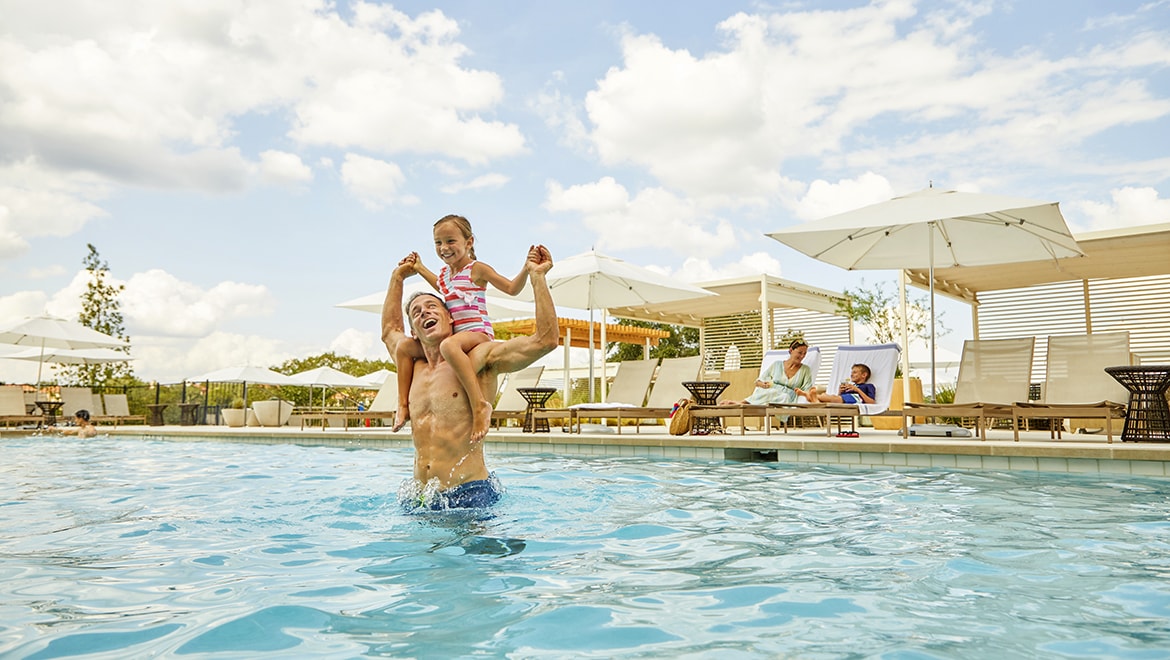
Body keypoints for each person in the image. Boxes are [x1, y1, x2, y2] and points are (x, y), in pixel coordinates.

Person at [382, 244, 558, 510]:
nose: (424, 312)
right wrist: (397, 278)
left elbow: (545, 341)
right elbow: (389, 331)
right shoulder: (411, 365)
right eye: (416, 312)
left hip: (469, 493)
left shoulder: (480, 358)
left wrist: (537, 278)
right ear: (414, 331)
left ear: (451, 318)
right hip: (420, 496)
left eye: (432, 306)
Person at [393, 214, 533, 442]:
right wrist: (419, 267)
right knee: (404, 347)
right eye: (438, 243)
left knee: (448, 346)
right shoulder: (445, 274)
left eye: (450, 241)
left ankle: (480, 405)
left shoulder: (477, 269)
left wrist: (527, 269)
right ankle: (402, 404)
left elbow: (511, 288)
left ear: (469, 242)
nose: (444, 248)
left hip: (478, 333)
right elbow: (439, 285)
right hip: (458, 338)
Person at [723, 340, 813, 406]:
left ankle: (741, 403)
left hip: (787, 398)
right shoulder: (777, 365)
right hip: (769, 393)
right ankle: (742, 404)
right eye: (800, 352)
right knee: (768, 392)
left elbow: (807, 389)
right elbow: (758, 382)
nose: (802, 356)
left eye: (805, 353)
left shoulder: (805, 370)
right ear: (791, 350)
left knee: (781, 396)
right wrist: (762, 384)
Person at [797, 364, 876, 404]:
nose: (851, 374)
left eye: (855, 372)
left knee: (831, 397)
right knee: (827, 396)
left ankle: (810, 396)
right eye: (851, 372)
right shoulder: (850, 386)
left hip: (856, 398)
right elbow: (840, 398)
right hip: (845, 399)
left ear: (864, 375)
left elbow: (871, 402)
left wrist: (857, 390)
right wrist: (840, 391)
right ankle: (813, 397)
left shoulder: (868, 386)